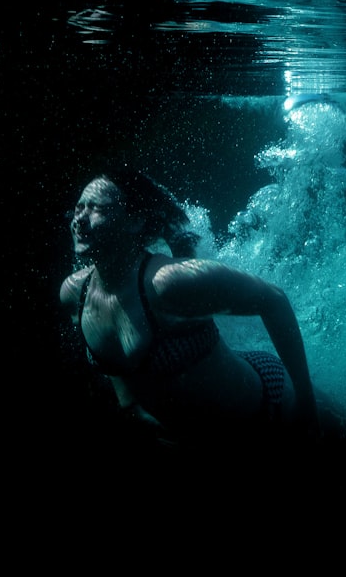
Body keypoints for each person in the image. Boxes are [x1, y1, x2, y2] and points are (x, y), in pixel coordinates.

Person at [59, 168, 320, 453]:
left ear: (135, 221)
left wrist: (306, 404)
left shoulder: (167, 283)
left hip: (271, 405)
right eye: (78, 208)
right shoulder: (75, 294)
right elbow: (119, 374)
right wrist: (133, 410)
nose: (79, 219)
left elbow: (274, 299)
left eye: (95, 208)